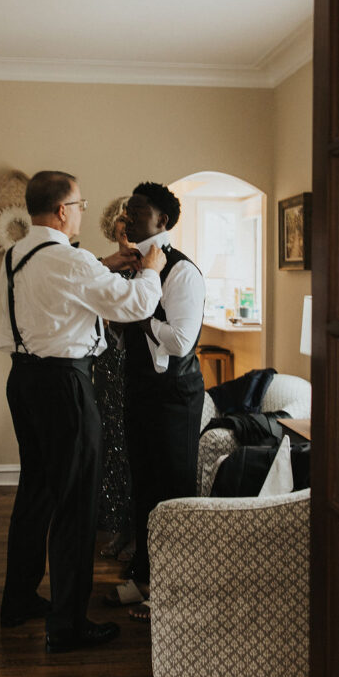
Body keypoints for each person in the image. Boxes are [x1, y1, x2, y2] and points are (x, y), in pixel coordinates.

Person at [0, 170, 165, 653]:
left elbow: (64, 284)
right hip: (65, 385)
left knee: (36, 492)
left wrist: (107, 261)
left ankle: (19, 600)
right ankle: (68, 625)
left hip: (23, 379)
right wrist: (150, 268)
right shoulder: (69, 261)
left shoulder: (18, 253)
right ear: (64, 210)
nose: (84, 211)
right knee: (77, 504)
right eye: (81, 203)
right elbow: (134, 305)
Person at [114, 181, 206, 620]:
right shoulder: (134, 266)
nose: (128, 216)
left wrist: (142, 313)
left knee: (172, 491)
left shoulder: (181, 272)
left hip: (174, 398)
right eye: (127, 209)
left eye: (137, 210)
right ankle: (145, 578)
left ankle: (173, 593)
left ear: (162, 221)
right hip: (140, 389)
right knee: (144, 485)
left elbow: (182, 340)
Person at [94, 196, 135, 559]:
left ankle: (134, 531)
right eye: (121, 223)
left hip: (136, 367)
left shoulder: (153, 267)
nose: (126, 229)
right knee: (111, 444)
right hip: (106, 365)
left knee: (133, 447)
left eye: (131, 222)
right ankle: (116, 526)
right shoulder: (103, 270)